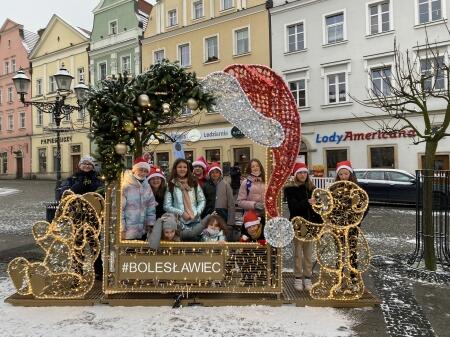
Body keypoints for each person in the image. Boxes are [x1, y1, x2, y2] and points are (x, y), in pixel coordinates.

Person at [284, 161, 322, 292]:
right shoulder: (290, 189)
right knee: (298, 253)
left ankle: (308, 277)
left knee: (308, 253)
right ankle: (298, 277)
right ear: (295, 174)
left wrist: (319, 223)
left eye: (304, 172)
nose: (302, 175)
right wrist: (307, 202)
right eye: (300, 172)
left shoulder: (312, 188)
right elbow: (293, 208)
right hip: (298, 225)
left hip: (311, 225)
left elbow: (318, 209)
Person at [334, 160, 368, 285]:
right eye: (341, 174)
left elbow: (365, 206)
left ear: (350, 174)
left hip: (353, 226)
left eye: (345, 174)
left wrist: (357, 220)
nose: (343, 176)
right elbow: (331, 206)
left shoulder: (357, 189)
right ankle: (339, 277)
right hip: (338, 226)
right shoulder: (335, 189)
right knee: (340, 252)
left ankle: (354, 278)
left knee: (352, 252)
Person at [164, 158, 206, 241]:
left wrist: (196, 212)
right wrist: (181, 213)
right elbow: (167, 206)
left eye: (185, 167)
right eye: (179, 167)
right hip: (179, 223)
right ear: (175, 169)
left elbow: (202, 200)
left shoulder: (194, 182)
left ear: (188, 169)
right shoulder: (171, 184)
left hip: (195, 220)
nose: (182, 169)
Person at [121, 158, 156, 240]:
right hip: (127, 232)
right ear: (134, 170)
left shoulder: (147, 186)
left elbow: (151, 206)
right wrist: (121, 228)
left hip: (142, 231)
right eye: (141, 170)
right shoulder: (126, 186)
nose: (143, 173)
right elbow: (120, 209)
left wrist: (150, 223)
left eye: (145, 171)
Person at [201, 162, 236, 239]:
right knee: (209, 235)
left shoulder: (226, 185)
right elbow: (202, 202)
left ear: (220, 173)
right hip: (209, 214)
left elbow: (231, 204)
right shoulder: (206, 186)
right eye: (212, 172)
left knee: (222, 235)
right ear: (209, 174)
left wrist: (230, 222)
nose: (215, 174)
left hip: (223, 215)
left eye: (217, 172)